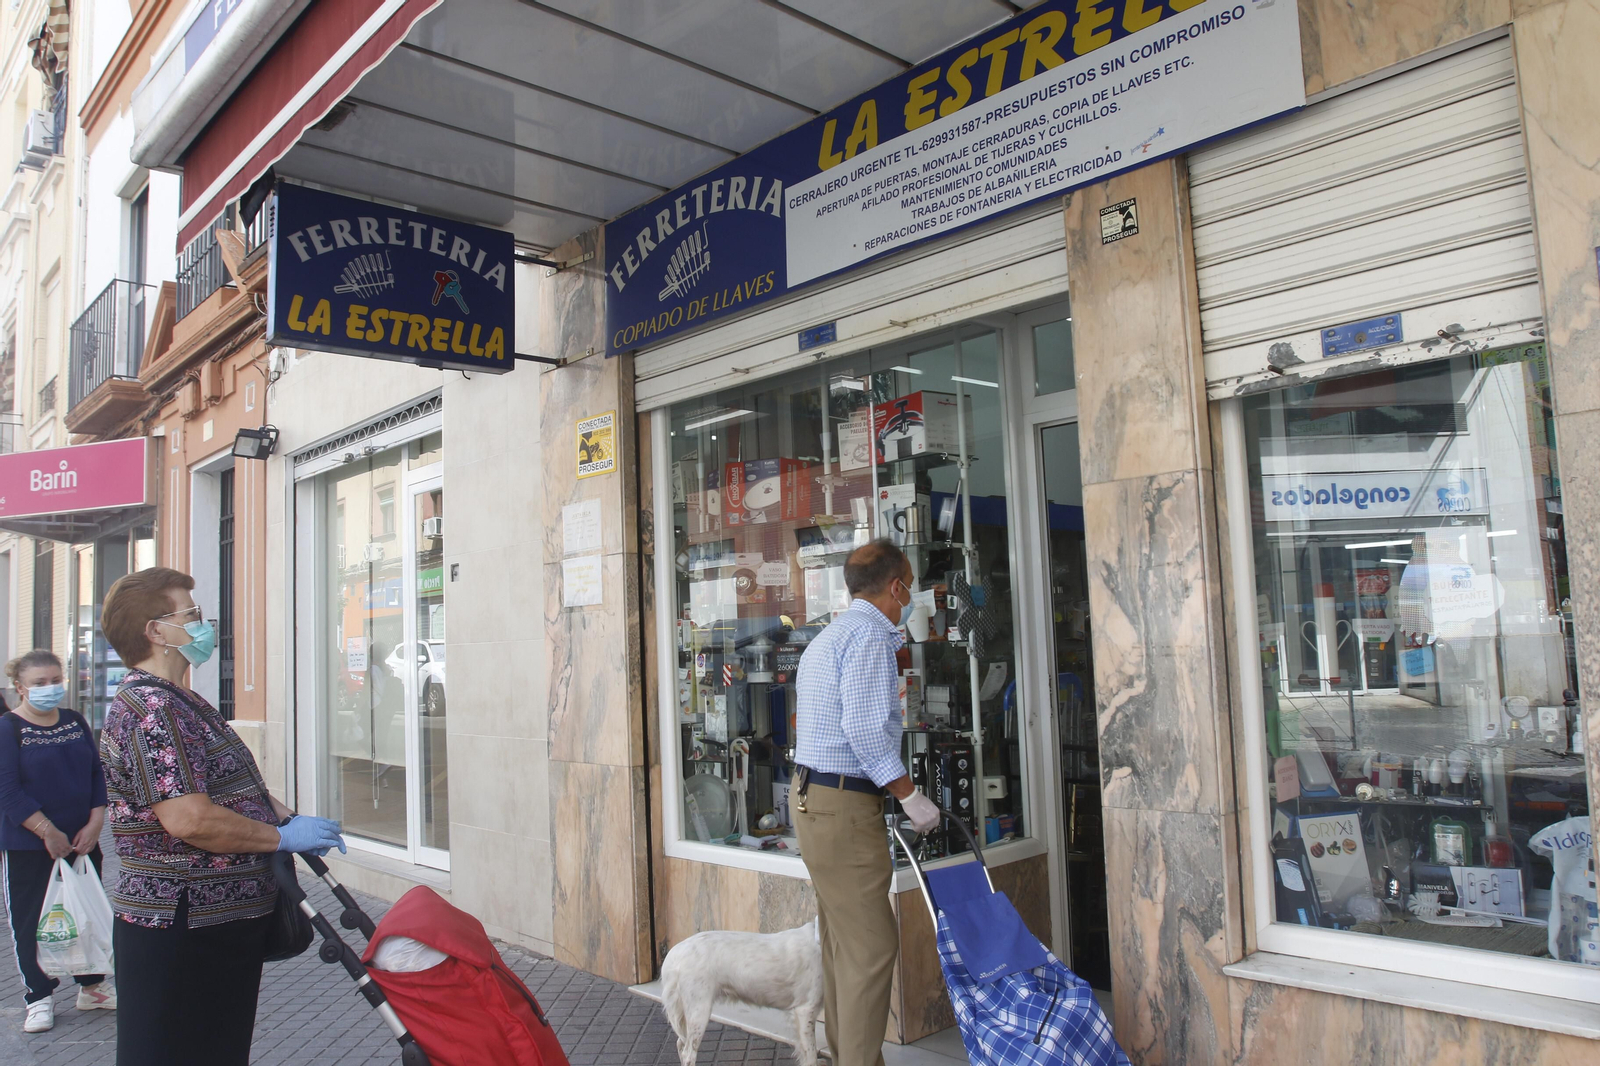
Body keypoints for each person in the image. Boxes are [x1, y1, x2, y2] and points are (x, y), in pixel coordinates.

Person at [97, 568, 345, 1066]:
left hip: (212, 927)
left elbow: (221, 784)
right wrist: (279, 839)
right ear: (155, 631)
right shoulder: (152, 709)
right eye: (191, 615)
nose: (205, 624)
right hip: (182, 925)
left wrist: (283, 815)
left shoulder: (180, 699)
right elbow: (190, 820)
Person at [792, 539, 941, 1066]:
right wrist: (909, 794)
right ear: (896, 586)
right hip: (843, 805)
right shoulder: (872, 638)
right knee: (872, 947)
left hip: (813, 799)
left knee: (842, 943)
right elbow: (862, 728)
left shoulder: (830, 636)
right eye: (910, 584)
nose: (912, 596)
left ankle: (852, 1057)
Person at [0, 649, 115, 1033]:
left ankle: (92, 987)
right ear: (20, 688)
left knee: (86, 911)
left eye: (54, 680)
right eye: (39, 683)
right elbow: (8, 791)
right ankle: (39, 996)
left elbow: (96, 772)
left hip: (82, 840)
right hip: (29, 843)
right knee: (31, 920)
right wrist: (47, 831)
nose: (50, 688)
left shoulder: (74, 720)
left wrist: (97, 819)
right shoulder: (8, 728)